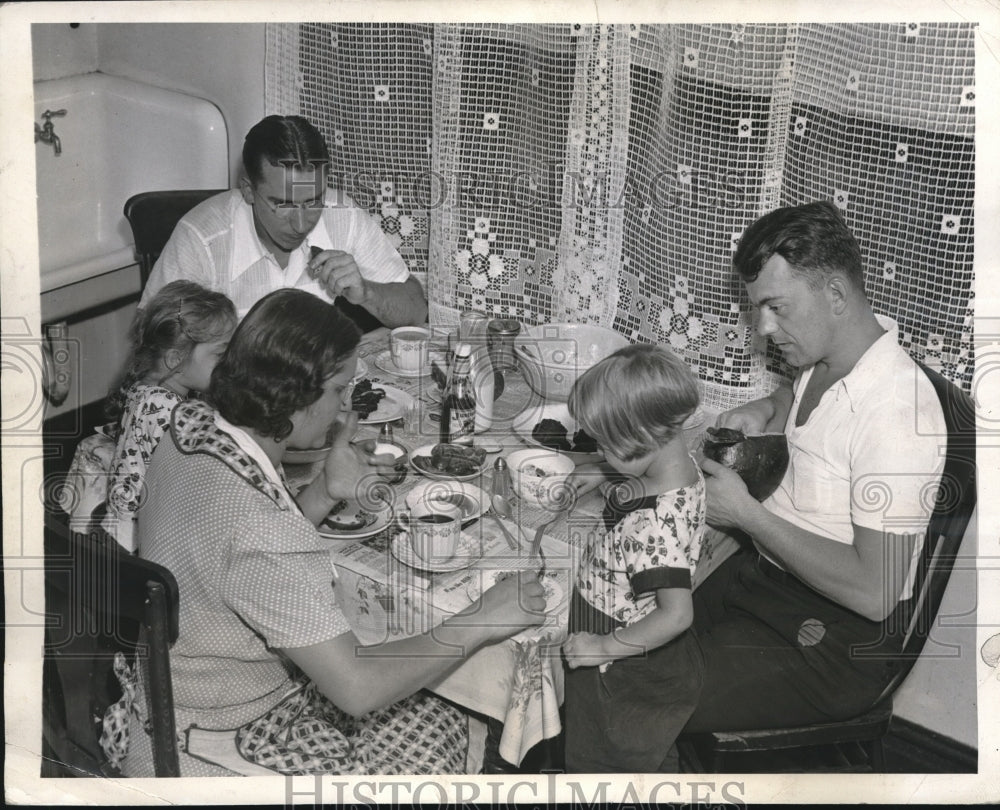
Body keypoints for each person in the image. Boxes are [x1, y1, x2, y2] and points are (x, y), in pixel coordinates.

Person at [118, 288, 544, 777]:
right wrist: (482, 619)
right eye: (340, 390)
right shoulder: (260, 527)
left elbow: (237, 557)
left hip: (166, 700)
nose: (343, 410)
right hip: (217, 742)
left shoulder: (186, 424)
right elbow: (357, 688)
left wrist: (323, 491)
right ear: (298, 393)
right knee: (452, 721)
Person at [683, 200, 947, 733]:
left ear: (834, 294)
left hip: (835, 638)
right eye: (758, 308)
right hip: (765, 580)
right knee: (616, 626)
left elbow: (875, 593)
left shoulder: (898, 414)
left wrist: (747, 516)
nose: (763, 328)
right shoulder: (830, 357)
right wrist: (767, 407)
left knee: (636, 692)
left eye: (776, 307)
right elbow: (801, 399)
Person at [561, 344, 706, 773]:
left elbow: (676, 615)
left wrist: (600, 648)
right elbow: (642, 480)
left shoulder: (654, 527)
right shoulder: (679, 469)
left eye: (603, 444)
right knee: (648, 752)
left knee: (604, 763)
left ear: (638, 441)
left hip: (620, 659)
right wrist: (601, 470)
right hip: (629, 643)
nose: (598, 449)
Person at [138, 115, 428, 330]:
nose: (302, 225)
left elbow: (416, 311)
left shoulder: (344, 215)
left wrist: (367, 292)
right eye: (282, 204)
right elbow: (151, 344)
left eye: (313, 201)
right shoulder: (202, 238)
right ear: (249, 191)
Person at [101, 280, 237, 552]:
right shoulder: (174, 411)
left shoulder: (144, 391)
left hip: (119, 533)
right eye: (222, 354)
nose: (231, 363)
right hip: (145, 545)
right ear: (176, 359)